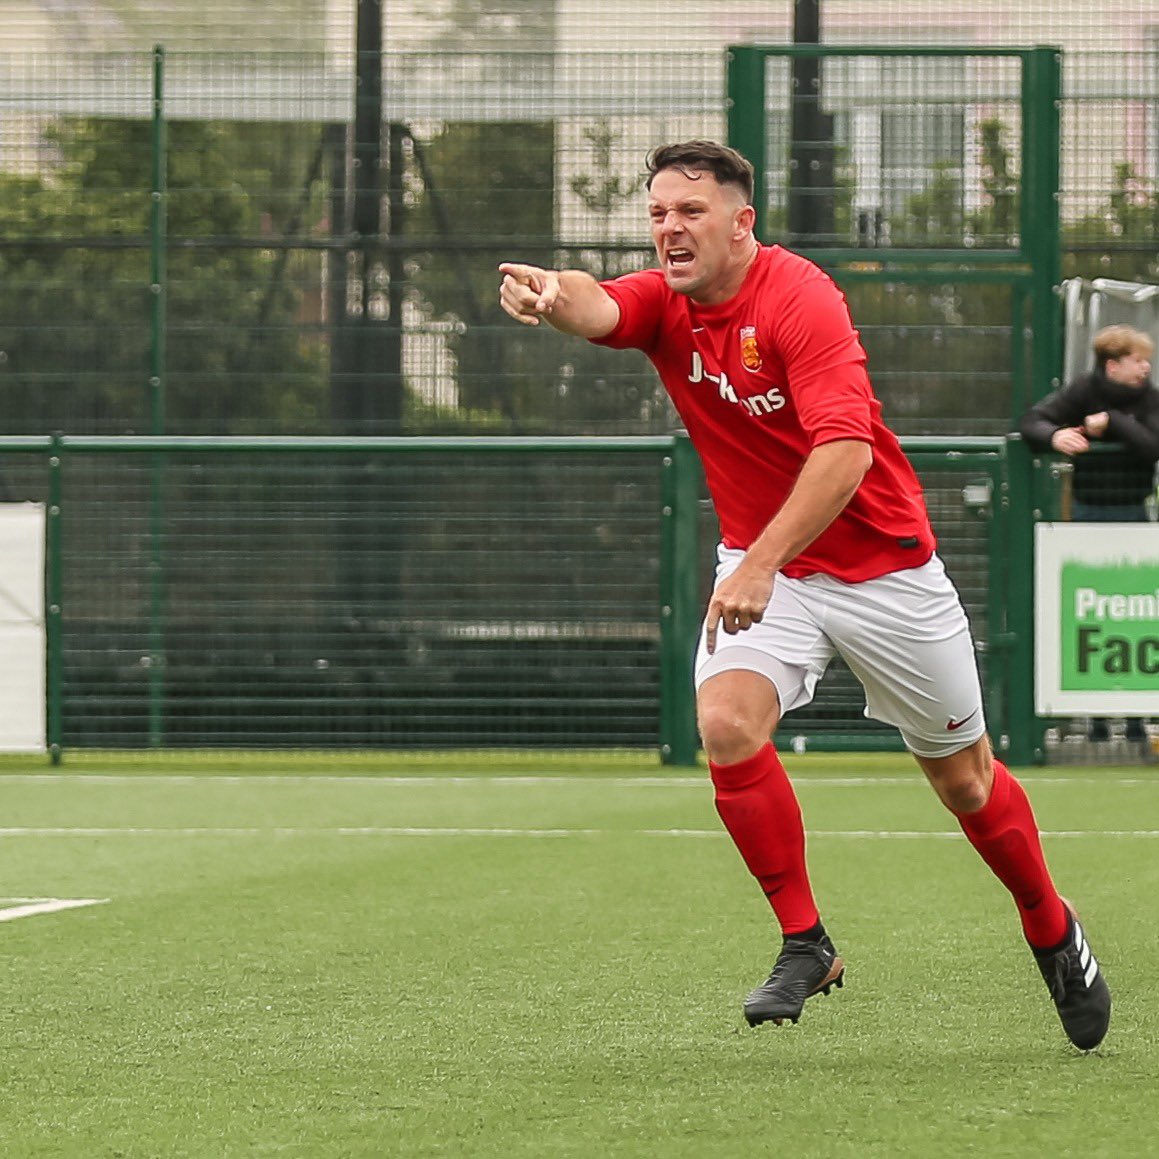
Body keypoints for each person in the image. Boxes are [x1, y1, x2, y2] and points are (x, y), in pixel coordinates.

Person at [498, 140, 1111, 1050]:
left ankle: (1049, 926)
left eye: (690, 212)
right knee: (727, 725)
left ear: (741, 223)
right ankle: (805, 940)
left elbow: (845, 452)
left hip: (884, 572)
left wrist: (758, 562)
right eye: (658, 212)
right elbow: (601, 302)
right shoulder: (666, 300)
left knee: (965, 782)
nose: (670, 227)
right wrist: (555, 296)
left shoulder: (800, 297)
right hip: (770, 568)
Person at [1020, 324, 1159, 747]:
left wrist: (1112, 422)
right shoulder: (1082, 391)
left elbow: (1152, 446)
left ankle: (1137, 720)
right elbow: (1032, 422)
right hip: (1086, 514)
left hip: (1134, 514)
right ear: (1112, 365)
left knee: (1134, 608)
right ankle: (1097, 720)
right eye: (1137, 360)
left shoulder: (1150, 398)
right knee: (1093, 609)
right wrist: (1056, 435)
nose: (1146, 367)